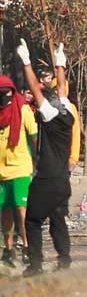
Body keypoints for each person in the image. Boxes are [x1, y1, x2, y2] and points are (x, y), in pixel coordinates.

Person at [16, 40, 74, 274]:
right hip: (63, 180)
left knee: (32, 221)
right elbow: (61, 91)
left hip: (47, 180)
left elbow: (37, 91)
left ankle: (36, 265)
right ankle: (64, 260)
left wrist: (27, 63)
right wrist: (60, 65)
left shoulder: (49, 115)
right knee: (58, 220)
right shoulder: (66, 111)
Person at [0, 74, 37, 267]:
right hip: (0, 172)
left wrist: (39, 161)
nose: (3, 97)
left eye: (5, 93)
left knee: (22, 210)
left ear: (12, 92)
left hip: (21, 169)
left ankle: (27, 247)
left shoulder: (22, 109)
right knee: (5, 212)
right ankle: (8, 249)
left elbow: (35, 136)